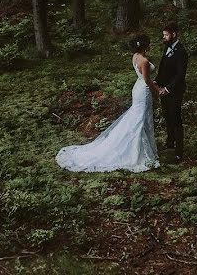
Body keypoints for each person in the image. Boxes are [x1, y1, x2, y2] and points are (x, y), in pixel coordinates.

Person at [55, 34, 161, 172]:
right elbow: (147, 79)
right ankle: (137, 150)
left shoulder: (135, 57)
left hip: (138, 88)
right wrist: (157, 91)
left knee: (137, 117)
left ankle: (140, 147)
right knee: (140, 119)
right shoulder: (144, 61)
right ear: (146, 46)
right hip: (144, 90)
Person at [155, 23, 188, 162]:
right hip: (164, 89)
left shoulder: (181, 52)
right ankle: (170, 143)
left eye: (166, 35)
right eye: (163, 35)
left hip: (175, 91)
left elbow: (180, 75)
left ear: (174, 34)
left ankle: (179, 152)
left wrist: (168, 88)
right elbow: (163, 68)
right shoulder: (167, 48)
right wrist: (157, 82)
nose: (164, 37)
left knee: (176, 119)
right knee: (167, 116)